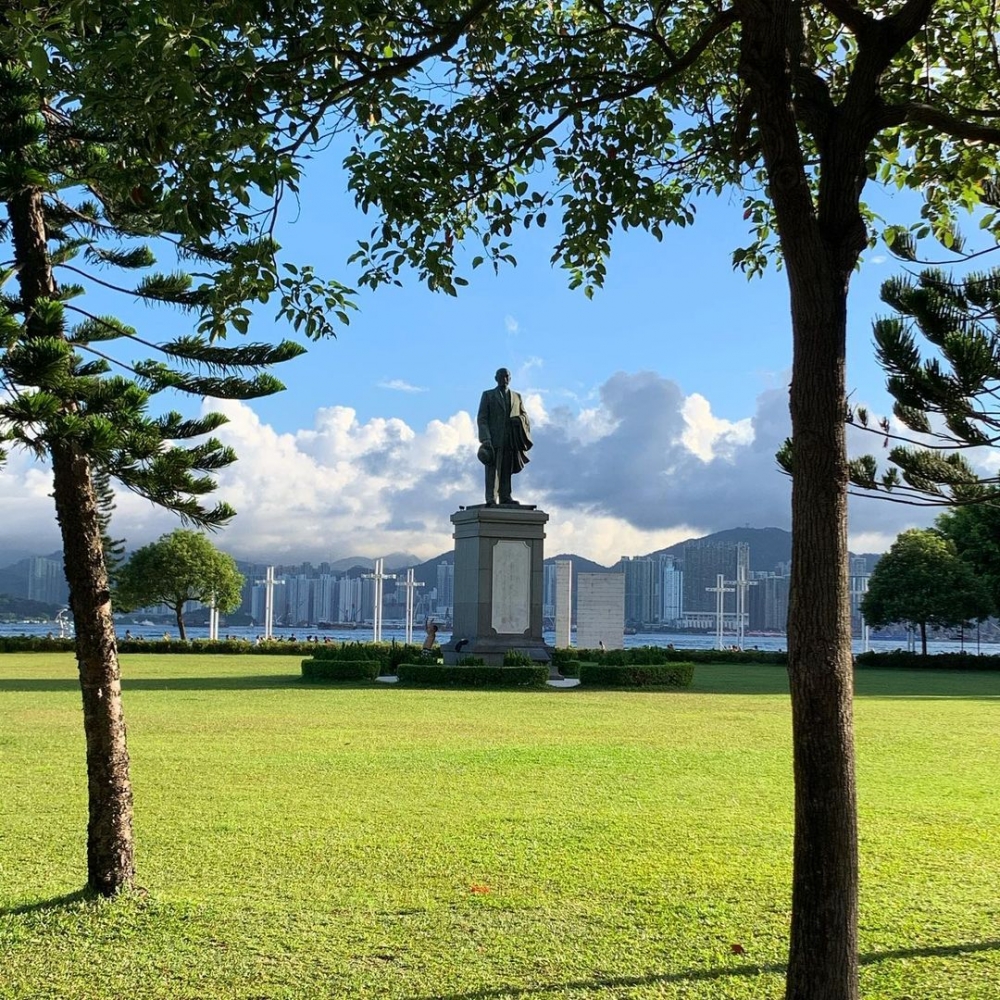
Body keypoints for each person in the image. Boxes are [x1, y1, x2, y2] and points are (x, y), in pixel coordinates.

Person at [477, 367, 533, 505]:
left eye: (507, 376)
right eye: (501, 376)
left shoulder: (517, 396)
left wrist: (519, 419)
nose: (505, 379)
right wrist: (486, 438)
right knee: (492, 469)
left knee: (506, 469)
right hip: (494, 439)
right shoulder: (488, 395)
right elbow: (482, 418)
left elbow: (524, 415)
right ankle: (491, 498)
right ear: (496, 378)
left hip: (510, 439)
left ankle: (505, 496)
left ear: (510, 378)